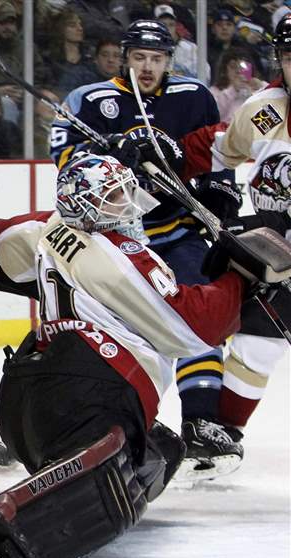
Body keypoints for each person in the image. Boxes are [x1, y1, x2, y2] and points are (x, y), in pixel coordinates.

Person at [0, 152, 289, 558]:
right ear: (87, 208)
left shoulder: (46, 227)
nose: (127, 206)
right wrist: (239, 279)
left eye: (126, 193)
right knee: (107, 464)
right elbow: (190, 328)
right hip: (85, 391)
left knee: (159, 450)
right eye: (114, 198)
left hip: (24, 396)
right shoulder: (118, 255)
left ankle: (76, 486)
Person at [50, 19, 244, 481]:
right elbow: (65, 162)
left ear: (168, 61)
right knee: (94, 331)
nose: (147, 67)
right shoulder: (90, 101)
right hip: (111, 241)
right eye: (139, 57)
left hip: (177, 232)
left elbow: (217, 152)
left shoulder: (193, 96)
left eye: (156, 59)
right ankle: (63, 420)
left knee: (199, 319)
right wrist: (112, 152)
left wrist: (220, 192)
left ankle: (201, 422)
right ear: (125, 58)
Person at [176, 14, 291, 473]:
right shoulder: (265, 110)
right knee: (256, 342)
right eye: (290, 56)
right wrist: (168, 154)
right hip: (276, 251)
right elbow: (219, 147)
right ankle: (220, 437)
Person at [209, 47, 265, 123]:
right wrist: (233, 90)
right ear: (224, 70)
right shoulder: (215, 92)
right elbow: (215, 116)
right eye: (233, 67)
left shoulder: (260, 86)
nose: (238, 71)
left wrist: (261, 89)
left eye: (243, 67)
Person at [154, 4, 203, 79]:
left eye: (171, 24)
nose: (167, 29)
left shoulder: (191, 48)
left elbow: (205, 75)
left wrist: (183, 75)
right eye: (163, 25)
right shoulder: (148, 49)